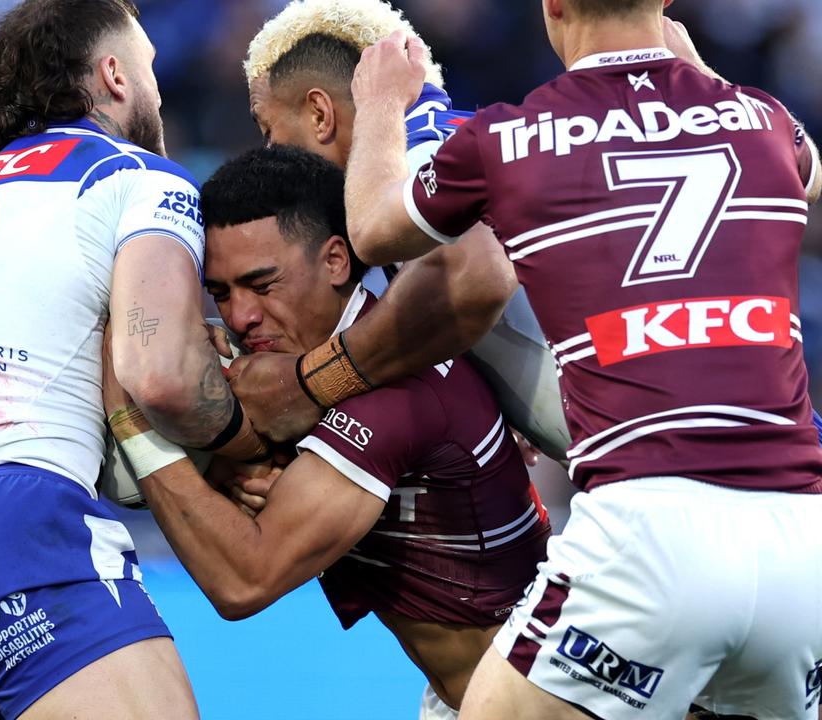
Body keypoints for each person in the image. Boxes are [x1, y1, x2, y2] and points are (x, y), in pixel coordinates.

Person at [335, 0, 822, 717]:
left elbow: (375, 230)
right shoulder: (764, 119)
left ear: (552, 5)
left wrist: (380, 102)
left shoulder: (508, 136)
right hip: (800, 543)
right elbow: (810, 178)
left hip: (648, 534)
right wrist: (698, 72)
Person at [0, 1, 263, 718]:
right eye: (150, 68)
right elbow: (161, 375)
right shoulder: (142, 177)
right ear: (115, 75)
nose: (158, 91)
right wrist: (249, 442)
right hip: (6, 530)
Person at [101, 144, 550, 719]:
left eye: (262, 285)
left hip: (544, 703)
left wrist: (136, 425)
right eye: (221, 293)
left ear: (337, 261)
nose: (240, 316)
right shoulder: (322, 359)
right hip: (471, 695)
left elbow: (244, 579)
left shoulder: (393, 398)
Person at [230, 0, 571, 465]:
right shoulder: (459, 136)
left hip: (658, 456)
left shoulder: (424, 147)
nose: (268, 153)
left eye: (268, 129)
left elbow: (473, 272)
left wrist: (317, 382)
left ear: (319, 114)